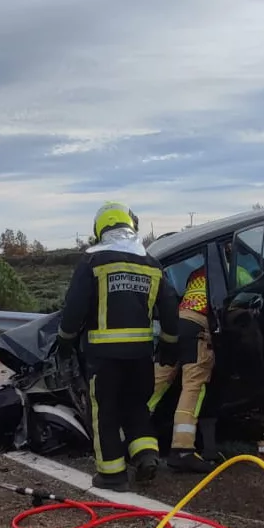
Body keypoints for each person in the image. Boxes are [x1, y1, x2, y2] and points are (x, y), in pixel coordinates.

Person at [57, 202, 180, 491]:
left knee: (106, 412)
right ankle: (147, 454)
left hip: (104, 356)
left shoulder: (92, 261)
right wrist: (169, 343)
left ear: (101, 229)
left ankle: (112, 474)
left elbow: (74, 308)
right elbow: (171, 309)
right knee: (137, 407)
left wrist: (64, 340)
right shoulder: (150, 263)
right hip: (140, 356)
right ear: (130, 225)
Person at [149, 261, 217, 473]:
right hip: (198, 328)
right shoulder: (227, 269)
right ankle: (182, 449)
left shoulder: (196, 273)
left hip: (175, 326)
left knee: (155, 385)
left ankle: (124, 436)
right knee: (193, 386)